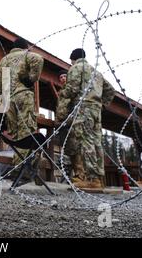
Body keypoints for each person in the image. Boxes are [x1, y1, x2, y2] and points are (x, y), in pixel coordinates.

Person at [56, 48, 115, 189]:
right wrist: (101, 105)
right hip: (96, 110)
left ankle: (92, 179)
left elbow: (72, 89)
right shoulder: (96, 72)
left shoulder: (76, 68)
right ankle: (100, 178)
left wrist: (63, 94)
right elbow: (110, 90)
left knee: (85, 142)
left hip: (83, 108)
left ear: (72, 59)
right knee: (96, 142)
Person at [0, 37, 44, 167]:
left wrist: (2, 93)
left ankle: (16, 165)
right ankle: (23, 166)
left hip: (8, 99)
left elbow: (0, 83)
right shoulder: (26, 54)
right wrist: (31, 79)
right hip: (23, 94)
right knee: (26, 132)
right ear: (25, 47)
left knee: (14, 132)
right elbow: (38, 59)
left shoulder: (3, 60)